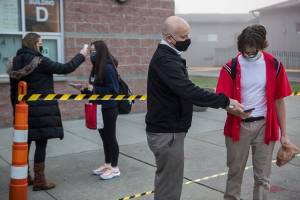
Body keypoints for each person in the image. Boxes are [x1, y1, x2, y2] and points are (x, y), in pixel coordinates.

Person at [145, 16, 246, 200]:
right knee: (169, 188)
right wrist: (226, 101)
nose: (188, 40)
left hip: (169, 131)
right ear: (169, 38)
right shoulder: (166, 61)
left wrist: (213, 95)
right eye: (184, 37)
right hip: (168, 133)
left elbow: (184, 90)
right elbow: (188, 91)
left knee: (168, 182)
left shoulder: (169, 56)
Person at [216, 25, 292, 200]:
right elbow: (223, 100)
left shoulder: (275, 65)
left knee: (263, 178)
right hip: (238, 127)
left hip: (265, 127)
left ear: (262, 46)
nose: (248, 54)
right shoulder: (230, 67)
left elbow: (279, 101)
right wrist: (235, 111)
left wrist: (284, 134)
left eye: (252, 51)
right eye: (245, 52)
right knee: (235, 174)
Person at [8, 32, 88, 191]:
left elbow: (13, 91)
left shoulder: (14, 63)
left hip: (22, 110)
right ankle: (39, 180)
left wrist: (16, 110)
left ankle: (24, 176)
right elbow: (66, 67)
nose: (42, 45)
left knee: (24, 143)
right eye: (41, 42)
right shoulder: (40, 61)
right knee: (41, 143)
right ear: (35, 43)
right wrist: (82, 54)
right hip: (41, 110)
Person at [80, 40, 120, 180]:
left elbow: (114, 90)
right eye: (90, 52)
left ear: (101, 52)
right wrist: (85, 89)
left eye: (94, 52)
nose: (92, 55)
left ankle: (114, 168)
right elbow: (95, 89)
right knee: (104, 138)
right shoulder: (97, 68)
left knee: (110, 138)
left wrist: (94, 88)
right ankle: (107, 164)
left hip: (108, 108)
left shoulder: (108, 67)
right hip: (98, 107)